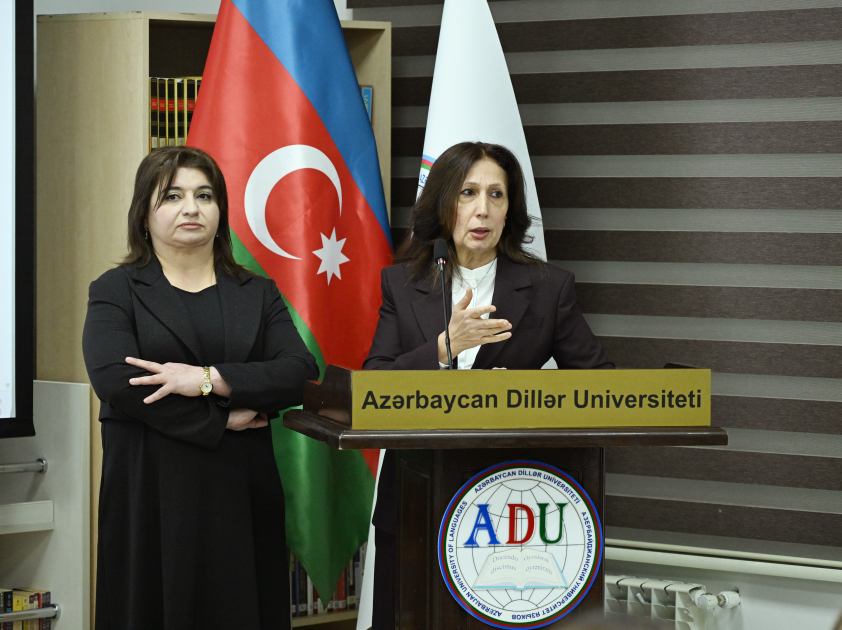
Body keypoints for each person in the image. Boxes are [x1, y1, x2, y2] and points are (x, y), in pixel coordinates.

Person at [363, 141, 614, 627]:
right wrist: (443, 348)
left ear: (509, 209)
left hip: (514, 508)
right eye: (468, 193)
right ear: (443, 203)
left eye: (496, 195)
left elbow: (599, 385)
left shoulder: (548, 286)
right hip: (417, 497)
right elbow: (375, 386)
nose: (482, 209)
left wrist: (521, 393)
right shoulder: (403, 284)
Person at [82, 146, 318, 629]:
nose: (191, 208)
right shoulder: (116, 289)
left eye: (204, 195)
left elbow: (299, 371)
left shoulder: (257, 291)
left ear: (220, 211)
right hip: (149, 490)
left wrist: (208, 379)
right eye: (172, 196)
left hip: (240, 490)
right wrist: (220, 417)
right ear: (144, 214)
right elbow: (116, 381)